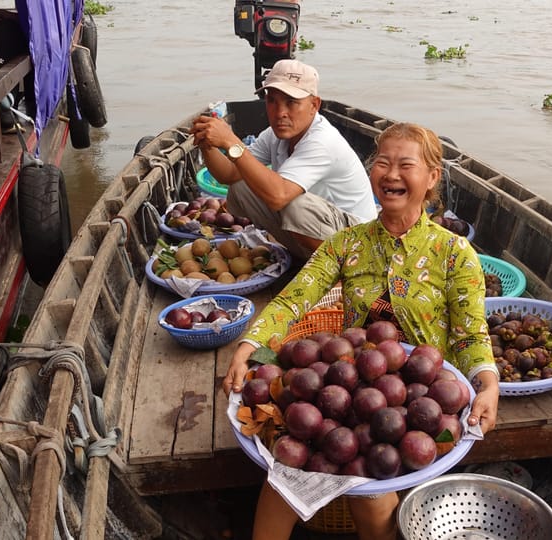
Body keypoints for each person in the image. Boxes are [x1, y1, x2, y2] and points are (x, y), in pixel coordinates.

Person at [221, 122, 501, 540]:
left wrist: (488, 383)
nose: (391, 174)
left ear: (432, 178)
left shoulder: (454, 252)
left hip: (423, 404)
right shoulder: (346, 243)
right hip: (350, 391)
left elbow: (470, 334)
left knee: (372, 502)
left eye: (406, 165)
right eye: (382, 163)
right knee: (280, 484)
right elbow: (293, 299)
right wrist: (249, 346)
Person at [189, 59, 378, 261]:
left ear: (314, 105)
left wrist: (230, 141)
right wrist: (206, 144)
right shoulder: (275, 135)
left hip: (357, 244)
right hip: (325, 235)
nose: (280, 113)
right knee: (241, 185)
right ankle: (305, 257)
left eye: (292, 102)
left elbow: (278, 196)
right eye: (272, 101)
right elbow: (229, 174)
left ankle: (339, 270)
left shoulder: (322, 141)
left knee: (293, 205)